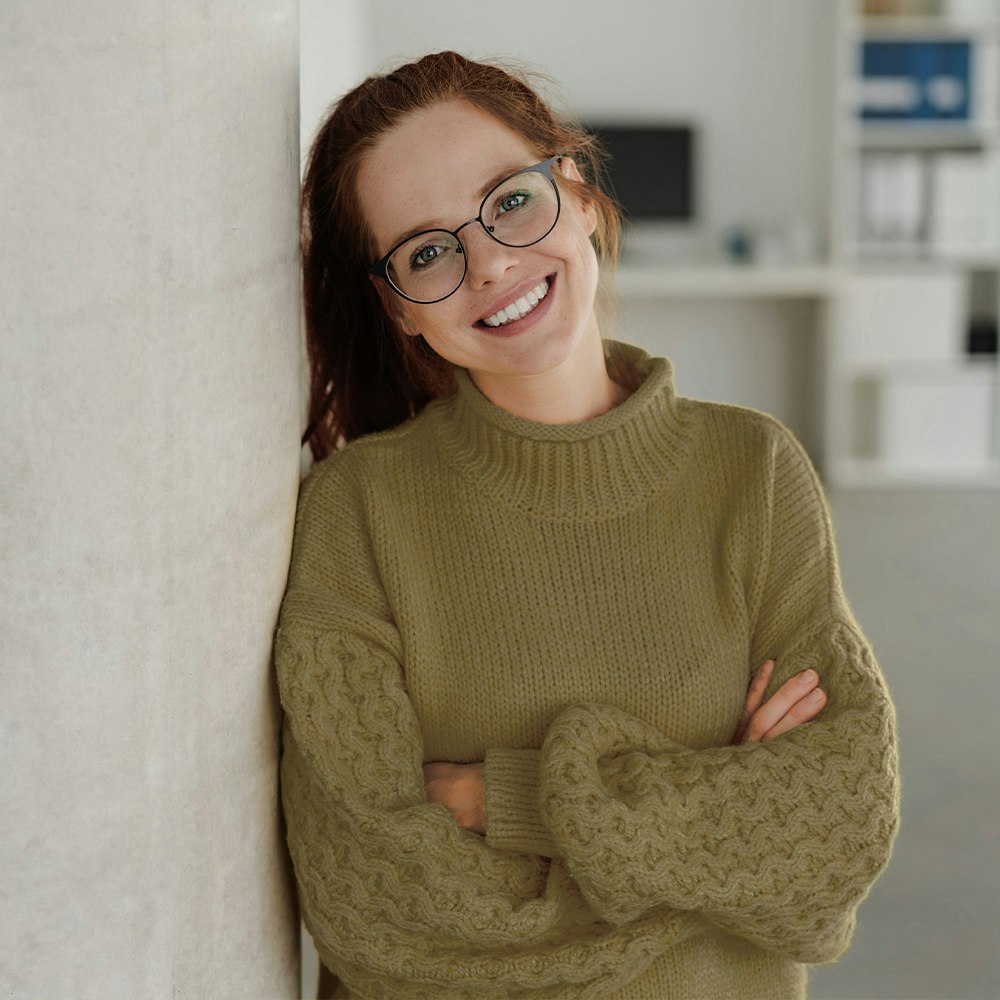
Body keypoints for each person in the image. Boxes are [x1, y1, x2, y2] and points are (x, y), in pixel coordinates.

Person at [275, 51, 900, 1000]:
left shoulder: (756, 473)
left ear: (580, 192)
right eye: (428, 251)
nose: (490, 263)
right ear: (398, 304)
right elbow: (375, 911)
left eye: (510, 201)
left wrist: (508, 800)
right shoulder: (358, 512)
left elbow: (840, 824)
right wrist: (712, 853)